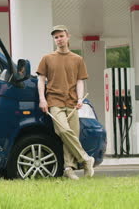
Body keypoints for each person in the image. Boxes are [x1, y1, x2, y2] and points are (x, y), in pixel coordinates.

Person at [37, 25, 95, 180]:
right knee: (63, 131)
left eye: (61, 36)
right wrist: (42, 99)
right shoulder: (47, 58)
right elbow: (41, 80)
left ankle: (68, 168)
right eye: (56, 37)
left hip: (72, 102)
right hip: (54, 101)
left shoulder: (78, 59)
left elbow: (80, 81)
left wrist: (80, 98)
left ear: (68, 36)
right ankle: (86, 159)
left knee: (70, 136)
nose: (59, 39)